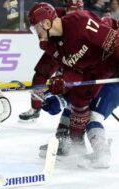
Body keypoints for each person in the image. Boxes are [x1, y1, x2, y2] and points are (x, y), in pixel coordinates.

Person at [27, 2, 119, 168]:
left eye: (37, 28)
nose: (37, 34)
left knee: (94, 116)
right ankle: (75, 147)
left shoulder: (80, 22)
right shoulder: (51, 44)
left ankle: (102, 153)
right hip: (95, 71)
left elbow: (115, 42)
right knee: (77, 106)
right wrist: (62, 83)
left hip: (113, 67)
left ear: (46, 23)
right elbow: (74, 70)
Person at [19, 0, 84, 121]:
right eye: (70, 9)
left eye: (75, 10)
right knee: (40, 75)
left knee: (71, 80)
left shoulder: (84, 21)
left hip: (74, 55)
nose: (72, 13)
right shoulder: (55, 14)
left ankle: (76, 111)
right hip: (55, 49)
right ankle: (35, 108)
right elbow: (43, 40)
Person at [40, 81, 119, 168]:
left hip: (108, 86)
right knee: (73, 104)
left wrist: (60, 99)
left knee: (93, 117)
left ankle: (102, 153)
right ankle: (64, 142)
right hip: (93, 84)